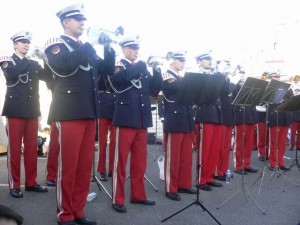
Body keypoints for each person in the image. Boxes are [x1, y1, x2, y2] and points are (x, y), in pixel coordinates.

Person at [44, 3, 115, 225]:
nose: (83, 23)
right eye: (78, 20)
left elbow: (107, 69)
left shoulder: (86, 47)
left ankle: (78, 211)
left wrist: (108, 46)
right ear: (66, 22)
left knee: (84, 167)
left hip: (88, 110)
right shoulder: (55, 44)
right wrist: (90, 45)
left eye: (84, 20)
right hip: (68, 110)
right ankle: (64, 215)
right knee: (69, 167)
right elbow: (64, 65)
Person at [110, 35, 162, 213]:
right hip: (125, 118)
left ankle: (138, 195)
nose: (136, 51)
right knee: (120, 162)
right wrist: (141, 65)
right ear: (124, 50)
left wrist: (157, 71)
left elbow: (154, 89)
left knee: (140, 162)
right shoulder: (119, 65)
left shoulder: (141, 68)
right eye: (132, 48)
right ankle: (117, 198)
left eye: (137, 48)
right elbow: (119, 81)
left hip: (141, 119)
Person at [0, 31, 50, 198]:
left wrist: (45, 58)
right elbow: (12, 74)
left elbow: (49, 77)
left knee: (31, 149)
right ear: (15, 44)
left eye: (28, 42)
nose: (26, 45)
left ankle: (31, 182)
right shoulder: (7, 60)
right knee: (14, 149)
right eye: (22, 42)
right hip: (15, 110)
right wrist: (28, 61)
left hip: (32, 110)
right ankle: (14, 185)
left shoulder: (33, 63)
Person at [161, 52, 196, 201]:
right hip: (175, 120)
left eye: (183, 61)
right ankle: (171, 187)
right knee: (173, 157)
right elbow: (177, 88)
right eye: (180, 61)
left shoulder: (181, 78)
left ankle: (184, 183)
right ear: (172, 61)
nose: (183, 63)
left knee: (186, 156)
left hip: (186, 119)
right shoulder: (166, 75)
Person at [194, 52, 223, 191]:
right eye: (206, 59)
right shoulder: (197, 75)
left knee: (213, 149)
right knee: (204, 149)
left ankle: (210, 176)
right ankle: (201, 178)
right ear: (199, 61)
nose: (210, 62)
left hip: (215, 113)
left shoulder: (214, 75)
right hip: (204, 113)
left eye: (210, 59)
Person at [232, 78, 259, 175]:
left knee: (248, 144)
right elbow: (234, 93)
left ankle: (246, 164)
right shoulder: (236, 87)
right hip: (241, 116)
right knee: (239, 144)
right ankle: (238, 165)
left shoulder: (254, 89)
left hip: (251, 116)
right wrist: (239, 82)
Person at [267, 72, 292, 171]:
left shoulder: (285, 89)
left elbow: (290, 97)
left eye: (278, 76)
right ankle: (273, 163)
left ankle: (280, 162)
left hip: (285, 117)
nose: (277, 78)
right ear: (271, 78)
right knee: (274, 142)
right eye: (275, 77)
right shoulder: (269, 88)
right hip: (275, 117)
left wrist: (288, 86)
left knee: (282, 143)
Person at [97, 73, 116, 181]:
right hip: (103, 109)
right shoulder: (101, 72)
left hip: (115, 110)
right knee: (102, 143)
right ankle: (102, 170)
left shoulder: (118, 72)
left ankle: (112, 168)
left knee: (114, 143)